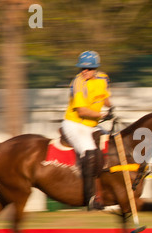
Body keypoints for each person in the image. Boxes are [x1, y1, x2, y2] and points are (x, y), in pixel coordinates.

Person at [62, 50, 112, 210]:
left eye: (88, 69)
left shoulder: (103, 78)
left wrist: (112, 108)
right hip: (75, 124)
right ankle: (90, 198)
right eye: (81, 68)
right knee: (90, 151)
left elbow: (105, 98)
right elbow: (82, 111)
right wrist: (102, 114)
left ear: (95, 68)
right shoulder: (78, 82)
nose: (84, 71)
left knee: (111, 145)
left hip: (92, 125)